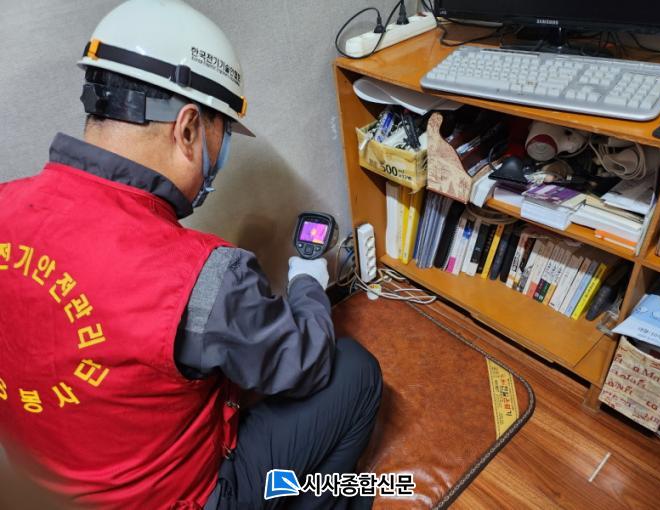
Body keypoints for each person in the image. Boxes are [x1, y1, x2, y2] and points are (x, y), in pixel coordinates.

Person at [0, 1, 382, 509]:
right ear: (187, 129)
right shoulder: (200, 273)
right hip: (184, 499)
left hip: (43, 490)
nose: (217, 161)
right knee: (354, 370)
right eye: (220, 137)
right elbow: (305, 363)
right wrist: (309, 283)